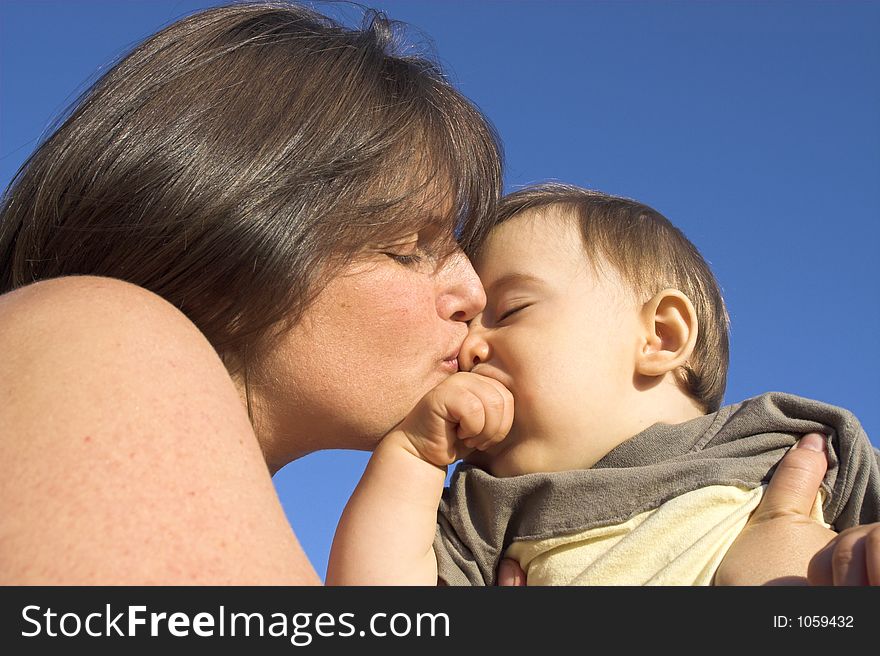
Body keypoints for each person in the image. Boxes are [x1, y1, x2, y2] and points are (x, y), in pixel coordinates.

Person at [0, 1, 857, 586]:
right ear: (232, 223)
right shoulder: (92, 329)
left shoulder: (783, 445)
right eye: (410, 247)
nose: (470, 297)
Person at [326, 184, 880, 586]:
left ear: (661, 336)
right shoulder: (485, 508)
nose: (469, 347)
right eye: (468, 327)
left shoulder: (785, 443)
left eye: (511, 309)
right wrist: (416, 456)